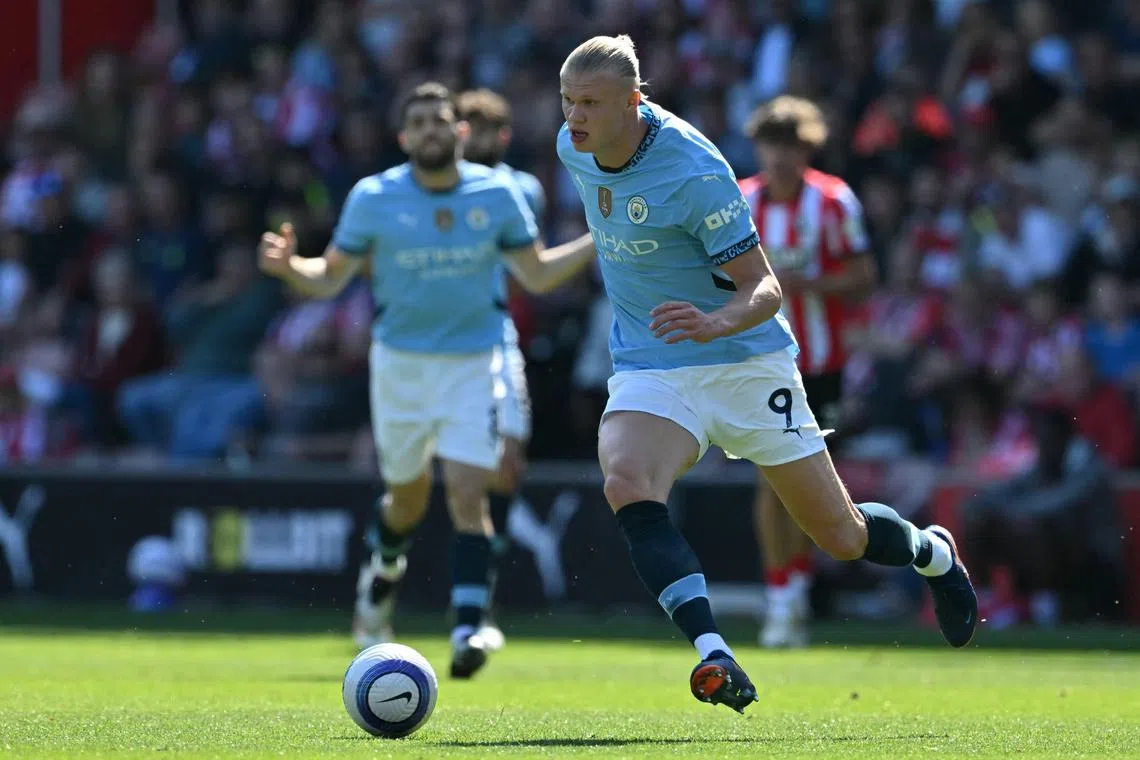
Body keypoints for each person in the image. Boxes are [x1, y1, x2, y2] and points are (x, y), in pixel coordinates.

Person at [556, 35, 977, 714]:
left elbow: (765, 289)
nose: (574, 117)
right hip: (653, 362)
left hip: (745, 361)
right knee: (627, 481)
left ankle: (933, 553)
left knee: (840, 537)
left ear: (635, 101)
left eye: (590, 103)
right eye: (568, 100)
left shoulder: (695, 171)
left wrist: (714, 322)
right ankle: (712, 653)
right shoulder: (569, 145)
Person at [257, 82, 594, 679]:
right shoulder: (373, 197)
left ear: (460, 132)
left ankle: (469, 625)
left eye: (441, 121)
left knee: (469, 489)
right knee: (406, 500)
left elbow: (536, 275)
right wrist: (291, 268)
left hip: (475, 361)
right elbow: (330, 278)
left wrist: (600, 238)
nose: (432, 131)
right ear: (404, 137)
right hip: (401, 366)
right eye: (419, 123)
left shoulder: (497, 193)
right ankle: (379, 581)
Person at [738, 96, 877, 648]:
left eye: (790, 145)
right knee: (771, 480)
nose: (780, 156)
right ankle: (782, 598)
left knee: (811, 488)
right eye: (771, 144)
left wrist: (808, 286)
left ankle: (795, 590)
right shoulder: (741, 201)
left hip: (821, 365)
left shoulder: (835, 201)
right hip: (761, 364)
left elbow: (866, 275)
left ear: (807, 148)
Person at [455, 88, 548, 652]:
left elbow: (523, 264)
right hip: (441, 342)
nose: (475, 137)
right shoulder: (434, 186)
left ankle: (482, 587)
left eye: (484, 128)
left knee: (508, 461)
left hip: (499, 334)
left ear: (502, 136)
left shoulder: (521, 188)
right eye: (467, 127)